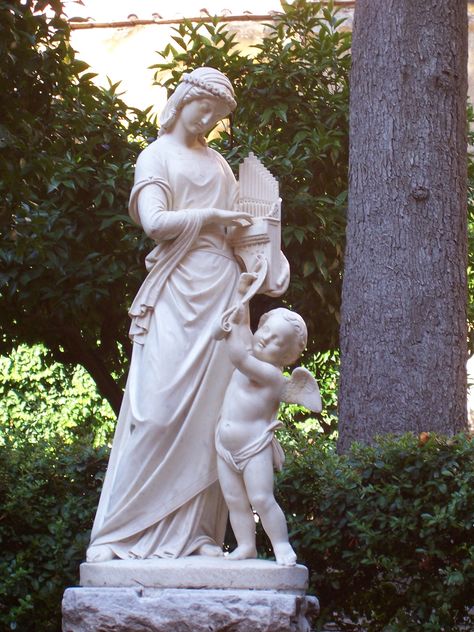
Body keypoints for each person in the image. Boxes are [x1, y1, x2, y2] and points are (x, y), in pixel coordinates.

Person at [86, 67, 289, 563]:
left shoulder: (219, 164)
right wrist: (214, 217)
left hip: (222, 294)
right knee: (154, 413)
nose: (209, 120)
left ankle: (199, 534)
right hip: (178, 293)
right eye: (205, 108)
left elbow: (240, 237)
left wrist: (266, 243)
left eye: (218, 116)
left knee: (209, 422)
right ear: (183, 100)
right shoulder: (155, 156)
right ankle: (118, 534)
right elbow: (155, 223)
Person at [216, 304, 320, 566]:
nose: (265, 338)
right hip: (225, 446)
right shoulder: (252, 360)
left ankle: (281, 545)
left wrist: (235, 323)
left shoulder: (271, 376)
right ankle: (246, 546)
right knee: (235, 500)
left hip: (254, 447)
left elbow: (238, 355)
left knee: (261, 499)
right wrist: (239, 314)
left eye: (276, 341)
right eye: (265, 330)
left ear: (286, 358)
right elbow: (243, 345)